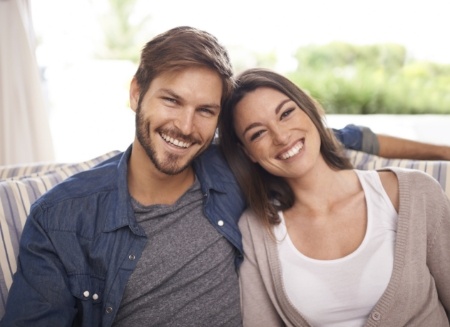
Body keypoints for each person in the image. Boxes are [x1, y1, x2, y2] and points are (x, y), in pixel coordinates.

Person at [0, 26, 447, 326]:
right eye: (171, 101)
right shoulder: (62, 218)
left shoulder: (236, 165)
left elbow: (334, 137)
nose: (185, 126)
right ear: (137, 93)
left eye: (205, 111)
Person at [219, 67, 450, 326]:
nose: (281, 137)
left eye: (286, 113)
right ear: (248, 152)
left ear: (309, 109)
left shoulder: (416, 193)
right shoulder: (254, 231)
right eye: (258, 133)